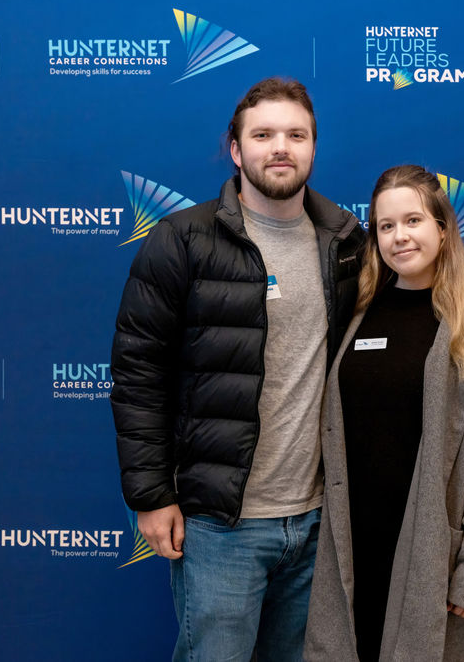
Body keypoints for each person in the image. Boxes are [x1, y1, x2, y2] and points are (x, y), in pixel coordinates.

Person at [110, 77, 365, 662]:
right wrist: (151, 496)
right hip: (220, 525)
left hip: (318, 521)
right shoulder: (182, 240)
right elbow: (138, 373)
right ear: (235, 148)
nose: (281, 148)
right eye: (263, 135)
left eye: (296, 135)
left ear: (313, 147)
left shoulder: (346, 243)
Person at [304, 165, 464, 662]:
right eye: (386, 225)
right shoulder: (356, 312)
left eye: (413, 220)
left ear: (442, 228)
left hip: (430, 554)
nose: (399, 236)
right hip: (352, 543)